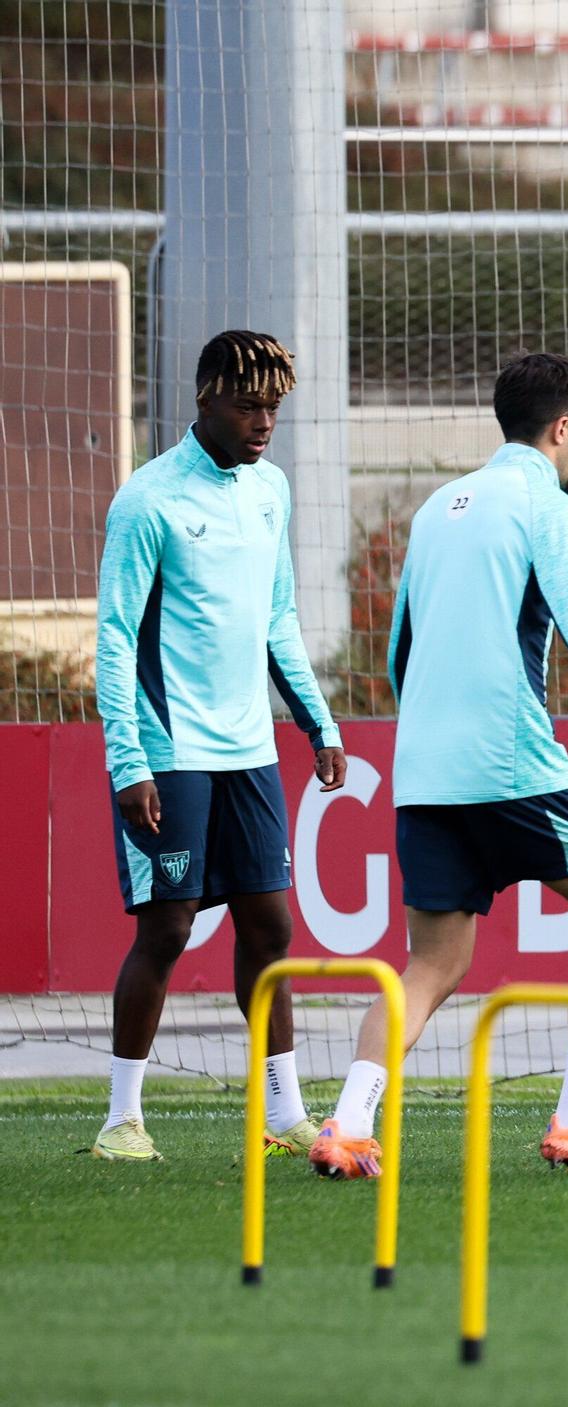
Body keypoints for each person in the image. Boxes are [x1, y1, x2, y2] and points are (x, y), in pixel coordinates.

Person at [308, 353, 568, 1179]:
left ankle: (349, 1124)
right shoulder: (547, 506)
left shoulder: (435, 507)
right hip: (514, 761)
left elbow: (399, 649)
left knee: (433, 960)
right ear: (561, 428)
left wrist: (429, 739)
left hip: (423, 769)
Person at [92, 331, 346, 1162]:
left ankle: (282, 1111)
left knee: (270, 926)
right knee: (167, 929)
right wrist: (128, 760)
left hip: (250, 750)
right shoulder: (148, 499)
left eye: (273, 406)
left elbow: (277, 619)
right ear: (204, 397)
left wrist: (317, 721)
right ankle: (121, 1119)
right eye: (248, 405)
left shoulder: (271, 490)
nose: (264, 421)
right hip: (169, 750)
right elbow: (117, 638)